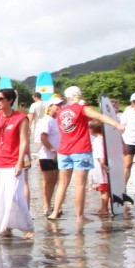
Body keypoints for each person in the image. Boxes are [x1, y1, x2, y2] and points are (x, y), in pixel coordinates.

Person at [48, 86, 125, 222]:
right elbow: (99, 116)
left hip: (64, 150)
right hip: (80, 150)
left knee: (62, 184)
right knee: (80, 185)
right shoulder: (81, 109)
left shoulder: (61, 112)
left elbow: (82, 121)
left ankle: (54, 212)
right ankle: (80, 216)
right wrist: (116, 124)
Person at [0, 89, 34, 239]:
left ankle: (27, 226)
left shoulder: (21, 118)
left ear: (10, 100)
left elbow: (24, 141)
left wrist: (19, 162)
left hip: (13, 161)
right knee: (1, 197)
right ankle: (7, 228)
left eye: (1, 99)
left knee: (15, 195)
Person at [35, 96, 63, 215]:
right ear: (50, 107)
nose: (60, 107)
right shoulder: (47, 120)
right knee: (48, 181)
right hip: (47, 155)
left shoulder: (56, 120)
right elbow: (43, 137)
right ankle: (46, 205)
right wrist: (52, 150)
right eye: (57, 105)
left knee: (55, 180)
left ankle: (52, 205)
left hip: (56, 155)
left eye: (61, 105)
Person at [87, 120, 110, 214]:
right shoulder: (105, 139)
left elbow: (101, 155)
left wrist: (103, 164)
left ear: (92, 130)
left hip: (100, 167)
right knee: (105, 189)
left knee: (104, 189)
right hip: (102, 166)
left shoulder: (97, 141)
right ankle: (105, 208)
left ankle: (104, 209)